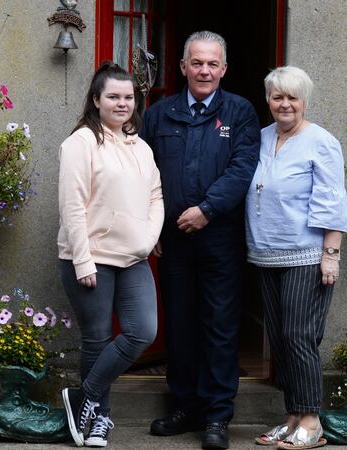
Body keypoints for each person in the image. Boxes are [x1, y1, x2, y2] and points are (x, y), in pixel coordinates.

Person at [141, 31, 260, 450]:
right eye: (197, 62)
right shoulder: (159, 113)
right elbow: (144, 172)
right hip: (172, 241)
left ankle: (216, 416)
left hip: (220, 239)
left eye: (212, 64)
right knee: (180, 325)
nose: (204, 70)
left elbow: (243, 169)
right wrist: (151, 227)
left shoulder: (240, 112)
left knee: (220, 327)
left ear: (224, 69)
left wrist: (207, 209)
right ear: (183, 67)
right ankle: (186, 407)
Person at [58, 62, 164, 448]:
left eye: (128, 97)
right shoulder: (80, 143)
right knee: (97, 339)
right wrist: (83, 260)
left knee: (142, 332)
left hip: (133, 258)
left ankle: (81, 398)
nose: (122, 104)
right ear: (96, 99)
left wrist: (147, 237)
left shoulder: (141, 147)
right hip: (91, 257)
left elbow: (156, 196)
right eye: (114, 97)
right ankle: (97, 420)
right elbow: (72, 206)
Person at [246, 66, 347, 449]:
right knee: (279, 337)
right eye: (277, 97)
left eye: (292, 97)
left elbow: (332, 201)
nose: (284, 104)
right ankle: (292, 416)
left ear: (305, 101)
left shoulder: (321, 142)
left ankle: (312, 419)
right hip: (265, 252)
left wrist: (331, 255)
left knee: (299, 335)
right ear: (268, 101)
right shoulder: (260, 138)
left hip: (306, 254)